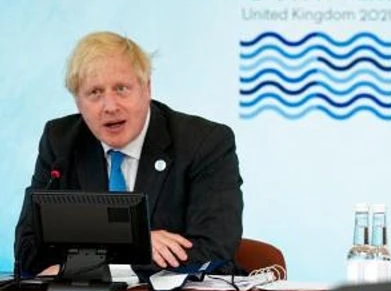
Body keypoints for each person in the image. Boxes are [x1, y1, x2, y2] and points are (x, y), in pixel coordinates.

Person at [14, 31, 244, 276]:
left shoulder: (204, 143)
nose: (110, 106)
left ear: (147, 88)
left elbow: (213, 248)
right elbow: (29, 252)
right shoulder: (61, 141)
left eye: (121, 89)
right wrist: (131, 242)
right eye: (95, 93)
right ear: (78, 102)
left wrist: (98, 266)